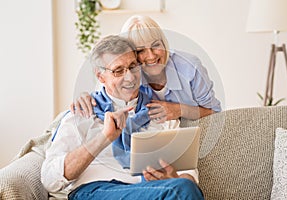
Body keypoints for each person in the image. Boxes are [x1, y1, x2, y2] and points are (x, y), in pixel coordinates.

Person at [41, 35, 204, 199]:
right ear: (100, 76)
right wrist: (105, 137)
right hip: (95, 191)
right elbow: (50, 179)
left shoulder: (159, 112)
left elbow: (188, 173)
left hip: (151, 191)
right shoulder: (82, 113)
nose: (130, 77)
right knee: (179, 190)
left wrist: (173, 178)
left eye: (133, 67)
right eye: (118, 71)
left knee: (182, 187)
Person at [71, 15, 221, 121]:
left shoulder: (190, 68)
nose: (150, 56)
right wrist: (84, 97)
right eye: (140, 50)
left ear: (164, 43)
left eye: (156, 45)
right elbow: (107, 92)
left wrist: (179, 110)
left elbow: (215, 113)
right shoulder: (130, 75)